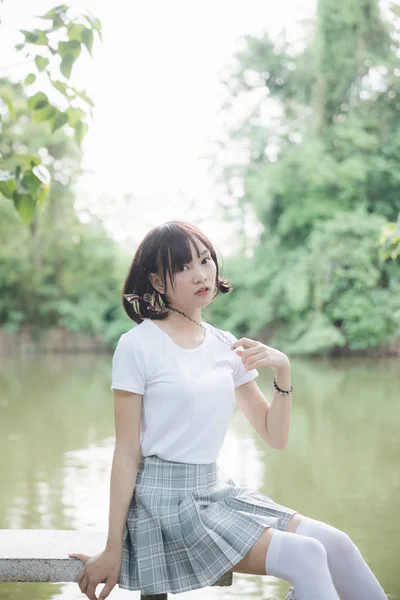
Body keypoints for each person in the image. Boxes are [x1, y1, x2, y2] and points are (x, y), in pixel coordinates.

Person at [69, 220, 388, 600]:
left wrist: (283, 370)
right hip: (164, 504)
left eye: (205, 260)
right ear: (156, 282)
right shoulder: (137, 346)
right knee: (306, 555)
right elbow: (125, 453)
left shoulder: (225, 346)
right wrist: (112, 546)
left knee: (337, 544)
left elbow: (276, 436)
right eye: (182, 267)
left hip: (215, 491)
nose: (200, 274)